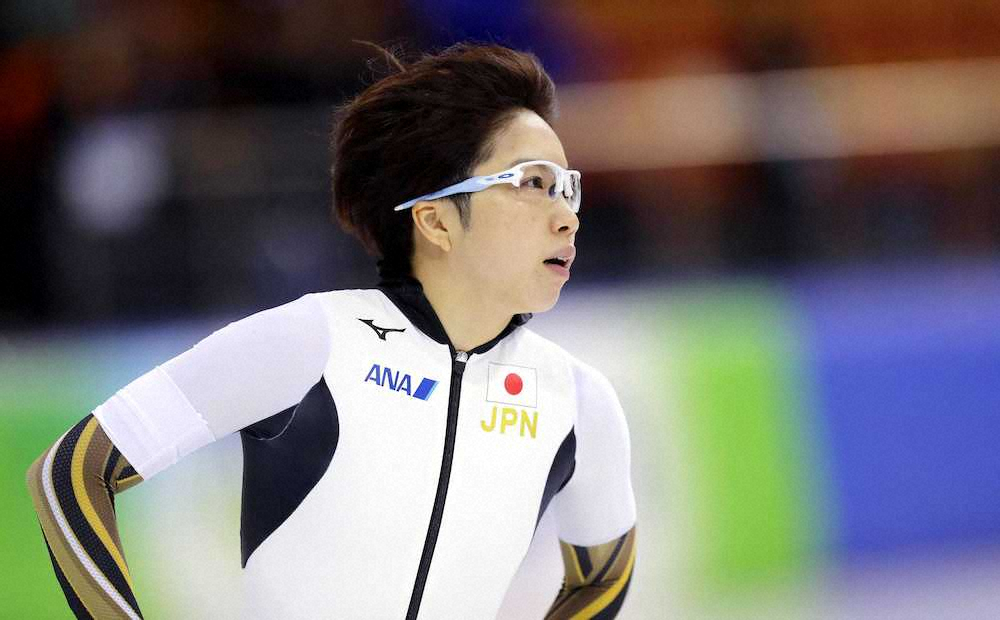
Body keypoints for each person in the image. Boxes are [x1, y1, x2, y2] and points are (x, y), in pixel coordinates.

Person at [26, 42, 636, 619]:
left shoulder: (577, 400)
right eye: (533, 183)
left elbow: (601, 576)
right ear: (436, 221)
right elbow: (71, 474)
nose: (567, 216)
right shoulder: (310, 343)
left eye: (568, 188)